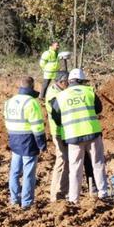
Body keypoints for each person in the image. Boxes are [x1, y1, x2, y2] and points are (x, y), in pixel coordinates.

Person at [50, 68, 109, 203]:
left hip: (73, 136)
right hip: (92, 133)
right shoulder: (89, 92)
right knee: (98, 163)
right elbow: (98, 109)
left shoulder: (61, 96)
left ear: (69, 81)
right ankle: (102, 193)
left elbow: (56, 117)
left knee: (75, 167)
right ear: (81, 81)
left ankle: (73, 198)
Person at [3, 76, 46, 208]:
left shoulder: (9, 102)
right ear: (32, 86)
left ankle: (14, 199)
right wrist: (42, 144)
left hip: (14, 139)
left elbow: (7, 121)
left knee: (15, 171)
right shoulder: (31, 102)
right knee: (28, 173)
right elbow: (38, 127)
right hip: (28, 140)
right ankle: (27, 202)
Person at [45, 71, 70, 201]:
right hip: (59, 131)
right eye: (68, 82)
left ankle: (62, 192)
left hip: (66, 131)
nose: (69, 84)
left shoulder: (59, 91)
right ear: (61, 82)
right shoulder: (53, 94)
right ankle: (56, 194)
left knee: (67, 161)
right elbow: (58, 113)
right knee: (62, 160)